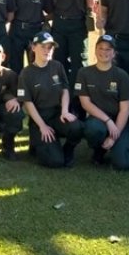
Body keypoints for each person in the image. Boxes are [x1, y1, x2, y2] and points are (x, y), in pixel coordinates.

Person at [18, 31, 84, 168]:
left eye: (50, 47)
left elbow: (65, 89)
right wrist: (42, 126)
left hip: (57, 114)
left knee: (76, 127)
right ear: (33, 47)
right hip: (39, 119)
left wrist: (65, 111)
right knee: (56, 162)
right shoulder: (26, 73)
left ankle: (68, 150)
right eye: (43, 46)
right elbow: (28, 103)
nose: (47, 50)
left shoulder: (57, 66)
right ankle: (37, 144)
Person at [76, 34, 129, 170]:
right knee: (93, 129)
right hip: (98, 120)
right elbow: (85, 104)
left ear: (114, 53)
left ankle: (124, 142)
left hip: (120, 120)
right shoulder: (84, 73)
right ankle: (99, 150)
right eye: (101, 48)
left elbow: (125, 109)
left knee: (123, 164)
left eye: (108, 49)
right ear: (95, 50)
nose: (103, 52)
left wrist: (113, 136)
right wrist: (107, 121)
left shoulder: (122, 75)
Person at [8, 0, 52, 75]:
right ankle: (16, 92)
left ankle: (34, 92)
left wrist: (40, 18)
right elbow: (9, 12)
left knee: (35, 66)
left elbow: (51, 12)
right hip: (17, 31)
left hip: (35, 31)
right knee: (15, 66)